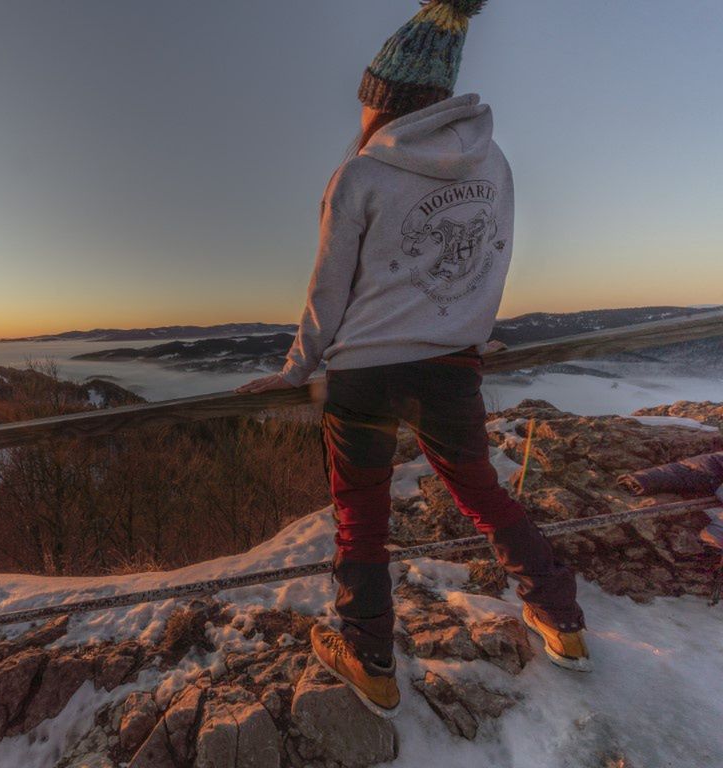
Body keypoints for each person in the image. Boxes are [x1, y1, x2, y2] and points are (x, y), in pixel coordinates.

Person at [237, 0, 589, 719]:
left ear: (383, 100)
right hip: (450, 366)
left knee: (361, 519)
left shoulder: (361, 175)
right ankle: (562, 622)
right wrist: (467, 329)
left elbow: (327, 293)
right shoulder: (494, 165)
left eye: (366, 101)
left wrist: (296, 369)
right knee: (483, 495)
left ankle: (369, 663)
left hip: (364, 376)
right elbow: (492, 259)